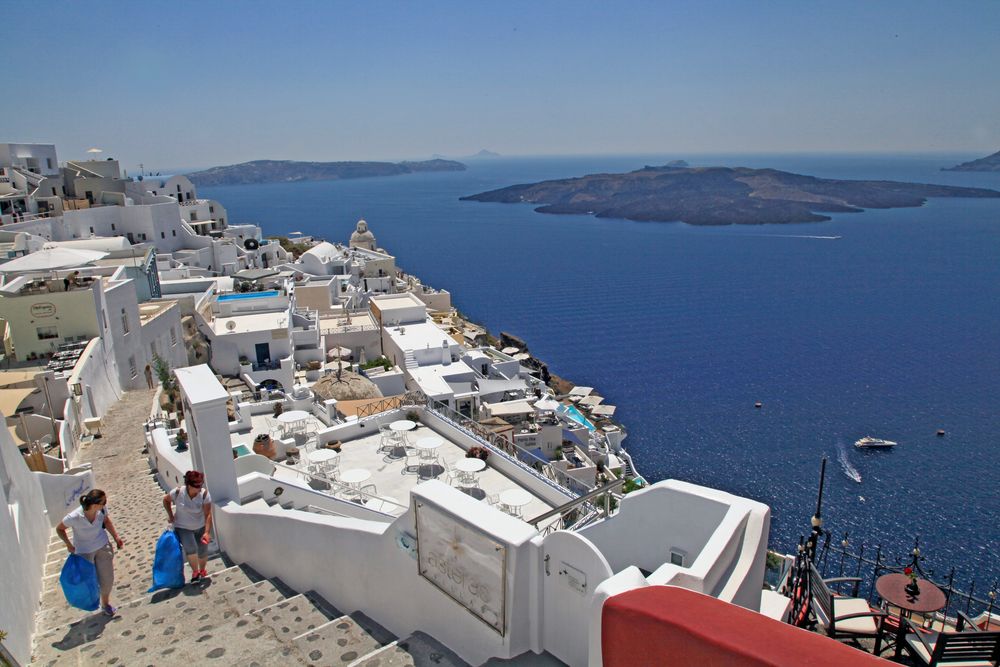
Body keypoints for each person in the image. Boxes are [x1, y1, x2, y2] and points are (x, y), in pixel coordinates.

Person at [56, 489, 125, 616]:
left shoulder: (101, 511)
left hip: (102, 547)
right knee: (88, 581)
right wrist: (68, 544)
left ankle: (105, 604)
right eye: (103, 502)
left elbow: (106, 521)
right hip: (84, 553)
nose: (105, 504)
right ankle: (91, 602)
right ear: (94, 504)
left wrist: (116, 537)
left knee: (107, 578)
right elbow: (59, 529)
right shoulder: (74, 517)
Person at [163, 470, 213, 583]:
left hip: (200, 526)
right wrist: (170, 515)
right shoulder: (177, 492)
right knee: (191, 549)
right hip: (183, 527)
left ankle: (202, 570)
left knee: (203, 550)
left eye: (201, 484)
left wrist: (207, 532)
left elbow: (208, 514)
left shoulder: (204, 494)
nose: (200, 487)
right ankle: (195, 572)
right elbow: (166, 500)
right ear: (189, 485)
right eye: (197, 485)